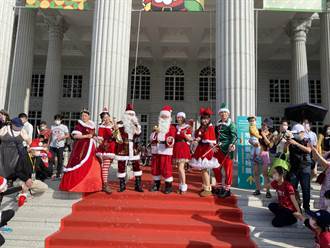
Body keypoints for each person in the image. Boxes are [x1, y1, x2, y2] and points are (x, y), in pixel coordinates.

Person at [59, 109, 102, 192]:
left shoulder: (92, 126)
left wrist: (97, 139)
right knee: (79, 162)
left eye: (85, 115)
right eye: (82, 116)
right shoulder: (79, 125)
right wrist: (86, 136)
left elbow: (93, 135)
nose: (84, 117)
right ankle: (75, 185)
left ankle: (92, 185)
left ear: (89, 116)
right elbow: (75, 136)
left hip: (91, 147)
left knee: (94, 163)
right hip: (81, 147)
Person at [189, 107, 219, 197]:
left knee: (204, 169)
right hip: (201, 149)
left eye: (206, 119)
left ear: (209, 119)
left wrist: (208, 143)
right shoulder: (202, 127)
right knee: (202, 170)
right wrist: (196, 138)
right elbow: (197, 135)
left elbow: (211, 140)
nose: (204, 120)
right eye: (203, 119)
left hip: (206, 150)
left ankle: (207, 188)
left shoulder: (210, 127)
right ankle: (205, 186)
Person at [115, 104, 143, 193]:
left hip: (133, 146)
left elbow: (138, 133)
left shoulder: (136, 125)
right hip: (123, 146)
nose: (130, 117)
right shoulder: (120, 124)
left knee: (136, 165)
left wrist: (136, 125)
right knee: (121, 165)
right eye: (129, 115)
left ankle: (138, 185)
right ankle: (122, 185)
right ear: (125, 115)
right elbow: (116, 135)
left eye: (132, 115)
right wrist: (115, 128)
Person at [285, 123, 312, 212]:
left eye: (297, 133)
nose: (295, 135)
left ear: (302, 132)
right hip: (294, 167)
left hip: (305, 167)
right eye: (294, 133)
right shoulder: (291, 140)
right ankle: (296, 205)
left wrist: (296, 143)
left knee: (305, 188)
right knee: (292, 188)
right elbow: (285, 151)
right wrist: (287, 143)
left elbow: (308, 150)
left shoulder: (306, 140)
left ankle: (306, 207)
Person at [150, 106, 176, 194]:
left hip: (165, 151)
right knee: (156, 168)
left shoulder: (171, 128)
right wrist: (155, 134)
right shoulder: (157, 127)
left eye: (165, 116)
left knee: (166, 168)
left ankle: (168, 186)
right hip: (156, 150)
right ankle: (156, 185)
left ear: (169, 117)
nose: (164, 118)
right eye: (162, 116)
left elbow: (171, 139)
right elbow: (152, 138)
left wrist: (166, 140)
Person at [213, 103, 237, 198]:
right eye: (221, 113)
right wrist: (213, 144)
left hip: (227, 149)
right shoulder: (218, 123)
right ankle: (219, 186)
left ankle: (227, 189)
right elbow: (214, 136)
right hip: (218, 149)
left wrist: (232, 144)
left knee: (228, 170)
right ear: (219, 114)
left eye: (225, 113)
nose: (223, 114)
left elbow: (234, 135)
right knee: (216, 167)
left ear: (228, 114)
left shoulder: (231, 124)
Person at [252, 118, 274, 198]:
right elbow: (251, 140)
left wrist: (264, 135)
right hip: (256, 153)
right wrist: (252, 143)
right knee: (256, 172)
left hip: (265, 154)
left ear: (268, 126)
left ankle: (268, 191)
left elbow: (270, 145)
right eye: (262, 124)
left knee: (265, 174)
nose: (262, 126)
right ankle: (257, 189)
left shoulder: (271, 134)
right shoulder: (257, 131)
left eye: (264, 125)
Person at [96, 107, 116, 194]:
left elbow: (117, 136)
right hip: (106, 147)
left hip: (112, 147)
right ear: (102, 119)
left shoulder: (112, 125)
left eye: (107, 117)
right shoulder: (102, 126)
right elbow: (100, 138)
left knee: (105, 167)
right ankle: (104, 184)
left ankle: (102, 183)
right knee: (105, 167)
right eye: (104, 117)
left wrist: (115, 129)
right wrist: (103, 144)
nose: (106, 118)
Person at [173, 112, 192, 194]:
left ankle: (184, 186)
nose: (179, 119)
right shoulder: (175, 127)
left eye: (181, 117)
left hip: (183, 146)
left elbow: (190, 139)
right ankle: (181, 186)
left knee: (181, 168)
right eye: (178, 117)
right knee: (178, 169)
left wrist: (184, 134)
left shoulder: (187, 127)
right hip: (177, 146)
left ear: (183, 118)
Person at [49, 115, 69, 180]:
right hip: (52, 145)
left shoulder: (64, 127)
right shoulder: (52, 127)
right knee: (51, 159)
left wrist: (62, 137)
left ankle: (58, 173)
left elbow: (67, 135)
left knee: (60, 160)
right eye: (56, 119)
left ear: (61, 120)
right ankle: (50, 173)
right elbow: (50, 136)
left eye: (58, 119)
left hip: (60, 145)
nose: (57, 121)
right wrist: (48, 144)